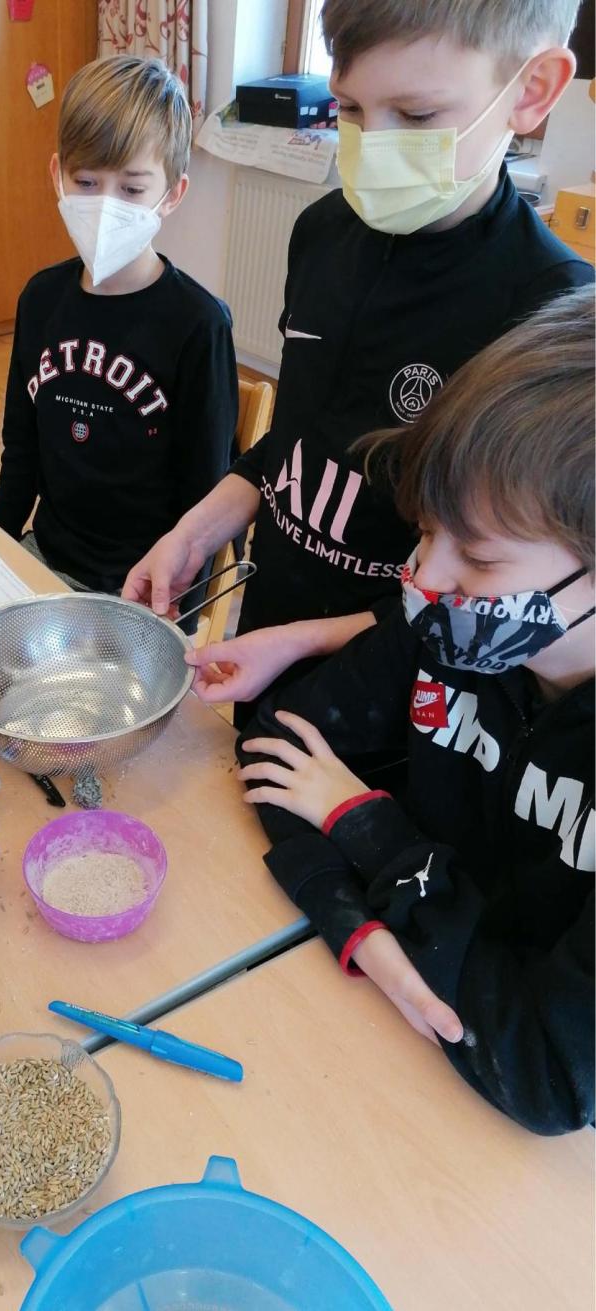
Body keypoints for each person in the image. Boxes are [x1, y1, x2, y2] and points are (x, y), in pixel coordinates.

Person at [123, 0, 593, 717]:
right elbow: (300, 437)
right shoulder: (320, 234)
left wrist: (304, 642)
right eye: (348, 109)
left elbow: (489, 596)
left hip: (403, 709)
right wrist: (199, 528)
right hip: (271, 637)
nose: (372, 144)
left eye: (415, 115)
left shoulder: (550, 311)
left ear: (530, 92)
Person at [237, 288, 594, 1135]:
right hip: (383, 1047)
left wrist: (369, 835)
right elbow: (275, 747)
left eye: (475, 553)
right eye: (426, 532)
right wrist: (351, 921)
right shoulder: (455, 626)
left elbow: (549, 1076)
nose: (423, 579)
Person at [0, 55, 237, 607]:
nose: (104, 205)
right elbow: (21, 446)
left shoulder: (198, 324)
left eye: (131, 189)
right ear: (57, 175)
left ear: (171, 194)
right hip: (45, 559)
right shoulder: (40, 299)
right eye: (85, 181)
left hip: (142, 589)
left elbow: (207, 492)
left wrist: (179, 606)